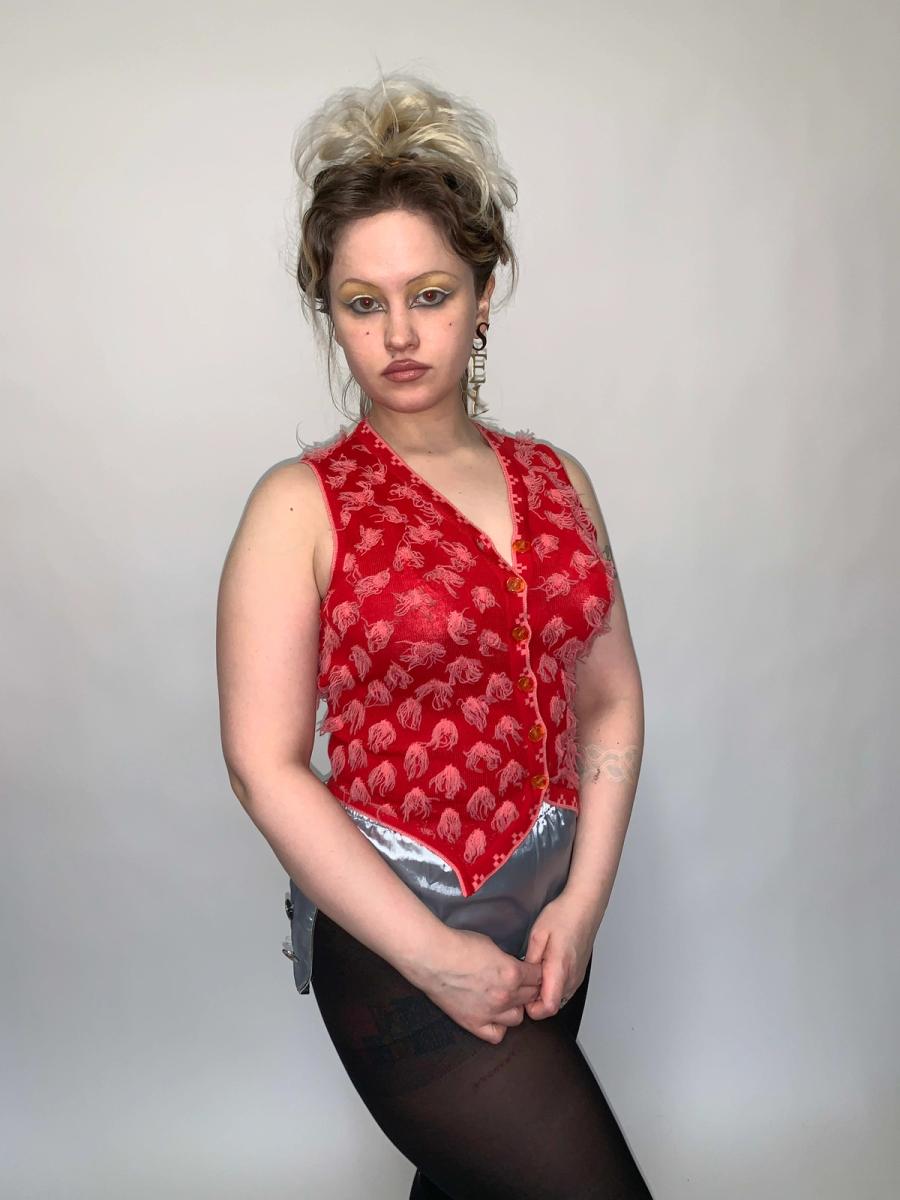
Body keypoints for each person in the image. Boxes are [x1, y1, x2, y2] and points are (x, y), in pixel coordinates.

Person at [216, 70, 651, 1200]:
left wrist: (585, 902)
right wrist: (433, 955)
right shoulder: (299, 506)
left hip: (550, 921)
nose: (400, 334)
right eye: (364, 303)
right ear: (330, 310)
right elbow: (263, 765)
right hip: (396, 934)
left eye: (431, 293)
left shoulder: (559, 480)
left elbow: (608, 699)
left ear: (485, 291)